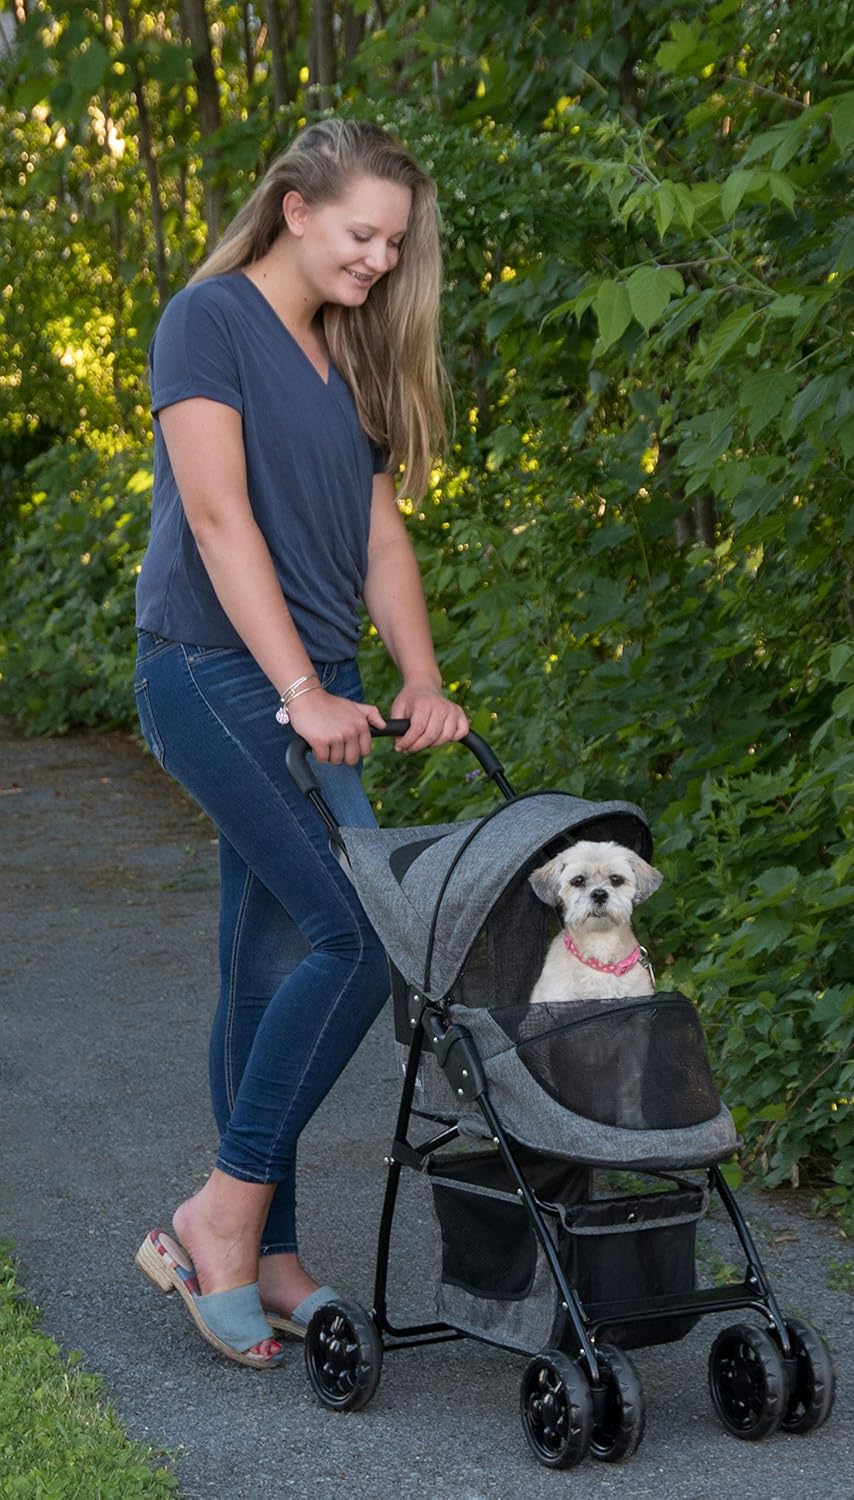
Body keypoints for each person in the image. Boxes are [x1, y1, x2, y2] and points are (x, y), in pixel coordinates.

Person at [132, 118, 468, 1368]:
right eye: (361, 234)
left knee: (270, 962)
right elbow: (218, 520)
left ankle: (264, 1254)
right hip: (213, 669)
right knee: (360, 935)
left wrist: (416, 677)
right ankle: (220, 1213)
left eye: (395, 243)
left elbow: (381, 541)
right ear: (294, 209)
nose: (381, 260)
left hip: (315, 683)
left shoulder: (348, 356)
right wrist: (297, 689)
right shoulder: (206, 320)